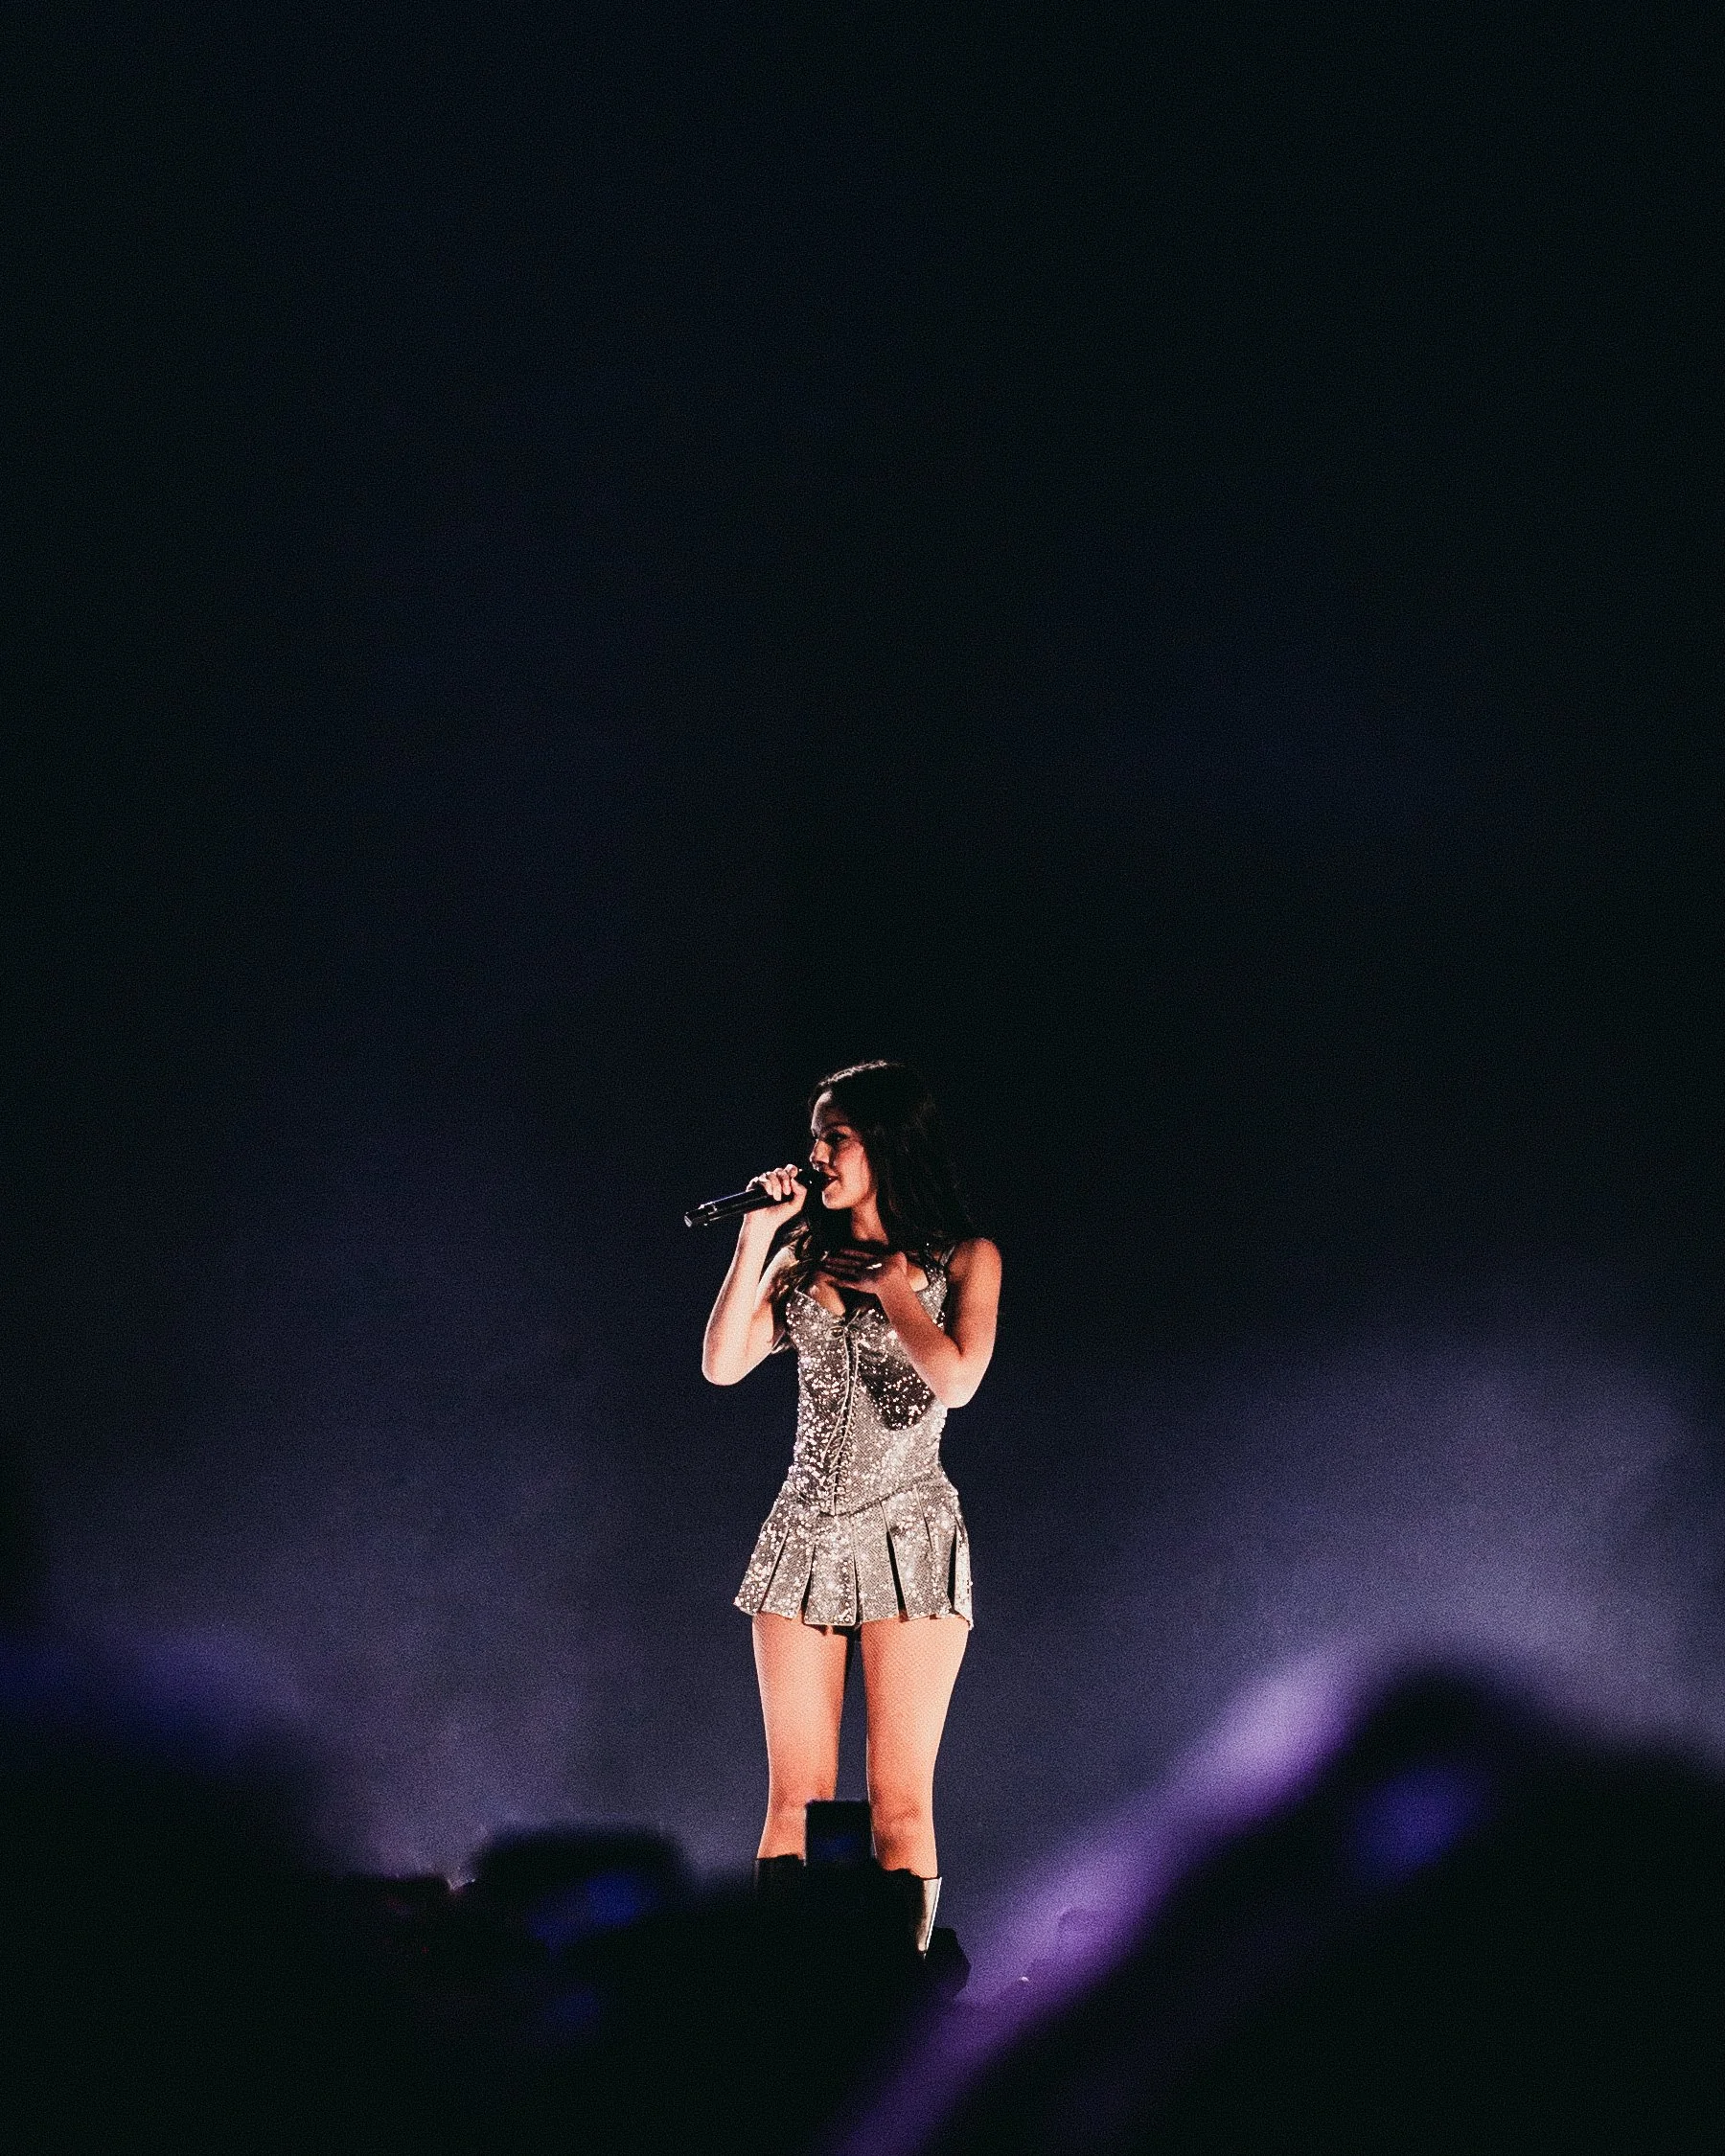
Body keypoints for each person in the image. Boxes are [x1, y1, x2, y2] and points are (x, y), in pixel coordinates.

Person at [702, 1062, 1000, 1951]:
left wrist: (896, 1289)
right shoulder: (804, 1257)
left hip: (911, 1533)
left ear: (887, 1145)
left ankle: (896, 1998)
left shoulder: (963, 1258)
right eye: (816, 1137)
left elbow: (956, 1378)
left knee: (897, 1806)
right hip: (803, 1530)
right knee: (794, 1797)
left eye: (837, 1137)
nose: (819, 1155)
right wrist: (758, 1238)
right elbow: (722, 1364)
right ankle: (781, 1992)